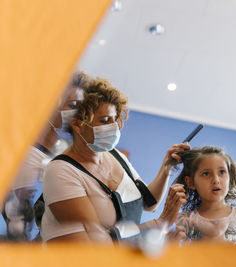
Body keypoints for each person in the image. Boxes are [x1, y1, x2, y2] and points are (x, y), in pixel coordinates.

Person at [40, 78, 189, 243]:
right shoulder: (61, 171)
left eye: (114, 119)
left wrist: (166, 167)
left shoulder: (117, 156)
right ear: (77, 124)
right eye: (105, 121)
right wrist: (158, 224)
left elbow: (149, 203)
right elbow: (96, 240)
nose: (114, 127)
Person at [2, 71, 90, 241]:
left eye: (81, 107)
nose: (78, 113)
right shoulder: (24, 151)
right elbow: (16, 220)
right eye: (72, 105)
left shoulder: (64, 152)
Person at [175, 146, 236, 243]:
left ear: (229, 178)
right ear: (191, 183)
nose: (216, 180)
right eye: (206, 174)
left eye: (222, 172)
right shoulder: (185, 220)